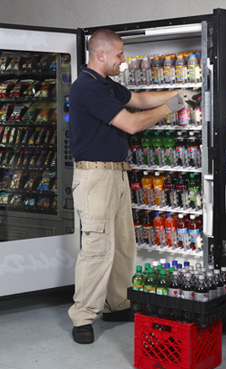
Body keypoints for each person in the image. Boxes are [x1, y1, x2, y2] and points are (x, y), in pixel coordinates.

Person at [68, 28, 200, 344]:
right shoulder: (88, 88)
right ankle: (83, 317)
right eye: (119, 54)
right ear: (100, 54)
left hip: (116, 174)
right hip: (95, 177)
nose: (123, 60)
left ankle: (117, 304)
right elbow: (133, 122)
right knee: (97, 249)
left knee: (123, 245)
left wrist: (182, 92)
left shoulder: (105, 84)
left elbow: (139, 98)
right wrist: (175, 105)